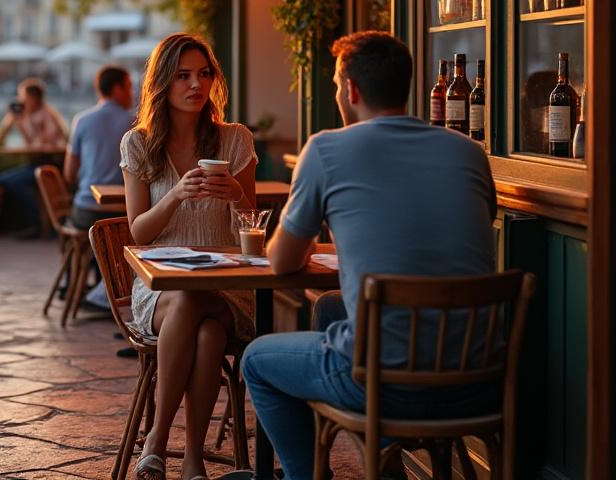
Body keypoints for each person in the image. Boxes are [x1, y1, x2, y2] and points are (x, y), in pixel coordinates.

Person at [241, 31, 498, 480]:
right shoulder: (469, 151)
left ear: (351, 90)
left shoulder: (326, 149)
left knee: (257, 360)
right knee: (330, 307)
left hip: (387, 385)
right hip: (475, 379)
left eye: (338, 84)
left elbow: (281, 262)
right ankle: (387, 468)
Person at [122, 33, 257, 480]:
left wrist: (237, 195)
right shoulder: (139, 144)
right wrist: (177, 195)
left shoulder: (234, 140)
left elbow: (251, 227)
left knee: (196, 305)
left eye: (203, 74)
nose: (195, 85)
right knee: (203, 328)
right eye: (182, 76)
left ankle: (156, 443)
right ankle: (192, 459)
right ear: (163, 83)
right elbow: (139, 231)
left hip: (226, 285)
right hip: (159, 288)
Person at [64, 64, 135, 311]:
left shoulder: (81, 120)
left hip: (86, 209)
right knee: (132, 230)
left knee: (100, 230)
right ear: (116, 89)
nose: (132, 94)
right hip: (122, 212)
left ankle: (95, 289)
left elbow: (69, 173)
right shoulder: (135, 122)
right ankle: (109, 293)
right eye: (128, 87)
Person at [0, 78, 68, 238]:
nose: (20, 100)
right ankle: (31, 223)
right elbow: (1, 140)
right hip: (36, 165)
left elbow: (47, 143)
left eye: (23, 96)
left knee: (11, 181)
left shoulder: (46, 116)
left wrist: (22, 122)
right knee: (4, 180)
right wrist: (14, 120)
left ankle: (35, 224)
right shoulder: (29, 116)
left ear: (33, 98)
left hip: (48, 167)